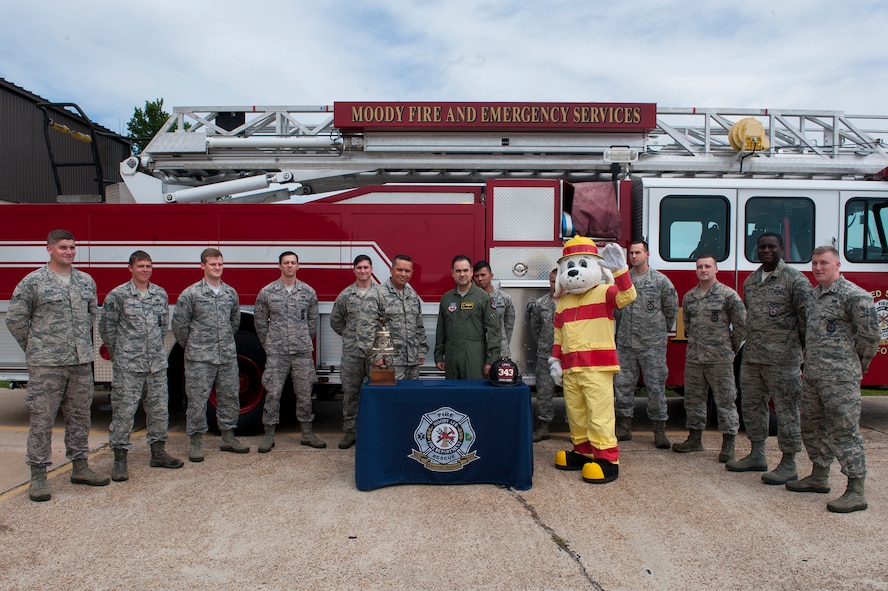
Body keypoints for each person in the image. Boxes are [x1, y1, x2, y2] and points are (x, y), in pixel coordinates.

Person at [6, 229, 110, 501]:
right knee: (42, 418)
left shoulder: (85, 281)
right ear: (49, 249)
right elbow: (15, 320)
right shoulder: (33, 282)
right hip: (47, 364)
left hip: (79, 362)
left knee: (80, 416)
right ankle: (38, 476)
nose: (69, 252)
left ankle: (80, 467)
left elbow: (91, 317)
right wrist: (35, 348)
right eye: (63, 247)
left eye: (73, 247)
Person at [786, 246, 879, 513]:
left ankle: (855, 489)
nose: (817, 268)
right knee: (812, 427)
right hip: (814, 375)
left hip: (840, 378)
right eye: (814, 263)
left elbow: (870, 336)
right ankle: (819, 475)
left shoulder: (854, 296)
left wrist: (856, 365)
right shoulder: (813, 296)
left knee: (844, 431)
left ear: (838, 265)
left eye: (824, 263)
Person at [727, 233, 809, 483]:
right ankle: (757, 455)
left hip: (783, 360)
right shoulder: (751, 281)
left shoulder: (795, 280)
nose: (765, 250)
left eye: (771, 246)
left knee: (787, 411)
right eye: (761, 247)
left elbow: (806, 321)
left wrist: (804, 356)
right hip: (753, 358)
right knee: (752, 407)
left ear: (781, 249)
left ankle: (789, 463)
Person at [99, 250, 184, 481]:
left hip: (155, 364)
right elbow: (107, 329)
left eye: (148, 266)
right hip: (128, 366)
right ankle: (119, 460)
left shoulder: (159, 294)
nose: (145, 270)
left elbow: (162, 326)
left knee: (158, 411)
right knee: (124, 413)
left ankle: (158, 453)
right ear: (130, 268)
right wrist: (121, 355)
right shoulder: (118, 295)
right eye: (140, 266)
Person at [172, 247, 249, 461]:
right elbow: (179, 325)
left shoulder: (230, 293)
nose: (217, 268)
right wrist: (194, 346)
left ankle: (228, 437)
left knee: (230, 396)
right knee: (197, 400)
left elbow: (234, 321)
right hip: (199, 358)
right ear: (202, 266)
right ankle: (196, 441)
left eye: (220, 264)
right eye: (213, 264)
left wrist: (222, 342)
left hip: (226, 356)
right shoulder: (191, 294)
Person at [673, 255, 746, 463]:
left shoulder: (728, 295)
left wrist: (729, 348)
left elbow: (741, 325)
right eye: (699, 267)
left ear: (716, 269)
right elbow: (687, 323)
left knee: (725, 400)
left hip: (720, 358)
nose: (703, 270)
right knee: (694, 400)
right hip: (695, 357)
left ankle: (728, 443)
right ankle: (694, 439)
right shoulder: (690, 297)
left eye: (707, 266)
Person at [254, 251, 323, 451]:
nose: (290, 266)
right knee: (273, 392)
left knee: (304, 392)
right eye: (286, 263)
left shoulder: (308, 292)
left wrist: (301, 339)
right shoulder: (267, 292)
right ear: (280, 266)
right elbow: (260, 322)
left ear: (298, 266)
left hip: (301, 352)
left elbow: (312, 321)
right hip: (277, 352)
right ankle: (269, 434)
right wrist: (270, 344)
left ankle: (307, 433)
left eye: (293, 262)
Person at [613, 240, 678, 449]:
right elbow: (617, 311)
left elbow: (671, 310)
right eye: (631, 253)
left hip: (653, 345)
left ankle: (659, 431)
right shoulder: (623, 282)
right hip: (626, 344)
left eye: (638, 252)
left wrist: (657, 331)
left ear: (647, 254)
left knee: (656, 388)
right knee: (622, 386)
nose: (634, 256)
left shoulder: (660, 281)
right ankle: (624, 428)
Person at [357, 254, 428, 382]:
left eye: (407, 271)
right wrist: (376, 356)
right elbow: (364, 328)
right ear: (391, 270)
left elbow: (419, 326)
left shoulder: (412, 295)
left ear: (412, 273)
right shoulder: (377, 294)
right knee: (388, 400)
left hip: (412, 363)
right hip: (387, 363)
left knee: (411, 399)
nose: (403, 274)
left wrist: (421, 351)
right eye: (399, 270)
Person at [330, 255, 374, 449]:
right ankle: (350, 432)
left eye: (366, 267)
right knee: (350, 393)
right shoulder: (346, 295)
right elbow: (336, 321)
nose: (363, 271)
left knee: (376, 392)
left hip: (375, 355)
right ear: (354, 270)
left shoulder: (380, 294)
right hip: (352, 353)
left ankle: (374, 430)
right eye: (359, 268)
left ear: (371, 269)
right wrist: (350, 337)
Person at [434, 255, 501, 379]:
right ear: (452, 273)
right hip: (451, 356)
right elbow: (441, 329)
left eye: (465, 270)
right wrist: (438, 355)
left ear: (471, 272)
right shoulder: (446, 298)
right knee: (452, 393)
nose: (462, 274)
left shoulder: (484, 298)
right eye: (458, 271)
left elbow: (494, 331)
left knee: (474, 393)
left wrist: (491, 360)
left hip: (474, 356)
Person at [529, 268, 559, 442]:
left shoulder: (572, 302)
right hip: (545, 355)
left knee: (574, 395)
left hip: (568, 356)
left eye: (557, 280)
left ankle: (576, 428)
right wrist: (545, 344)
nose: (554, 284)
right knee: (544, 394)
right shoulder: (541, 304)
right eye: (552, 280)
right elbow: (535, 329)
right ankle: (544, 427)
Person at [473, 261, 516, 359]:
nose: (480, 279)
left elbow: (509, 325)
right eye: (476, 276)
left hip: (499, 351)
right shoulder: (470, 300)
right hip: (476, 352)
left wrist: (502, 342)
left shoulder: (504, 298)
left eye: (483, 275)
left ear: (491, 275)